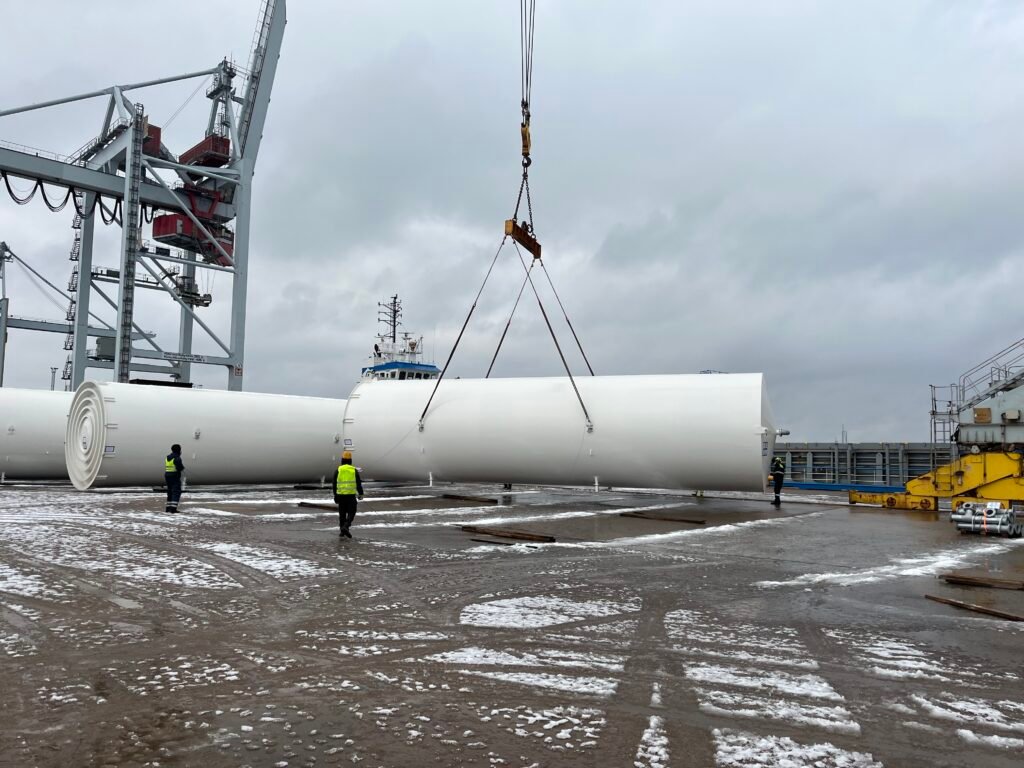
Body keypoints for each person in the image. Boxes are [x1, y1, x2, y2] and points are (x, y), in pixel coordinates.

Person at [334, 451, 364, 538]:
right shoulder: (353, 470)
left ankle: (342, 531)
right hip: (351, 496)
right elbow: (358, 483)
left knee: (342, 514)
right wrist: (361, 494)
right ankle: (346, 526)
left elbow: (334, 484)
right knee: (352, 512)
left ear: (342, 460)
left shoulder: (338, 470)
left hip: (340, 496)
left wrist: (335, 495)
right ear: (350, 460)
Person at [165, 443, 185, 513]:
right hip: (174, 476)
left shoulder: (168, 457)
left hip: (167, 476)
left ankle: (168, 508)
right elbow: (179, 467)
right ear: (179, 450)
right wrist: (182, 468)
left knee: (170, 492)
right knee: (176, 492)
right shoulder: (177, 458)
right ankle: (173, 509)